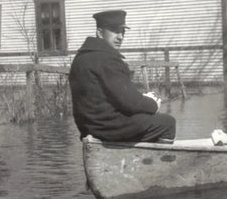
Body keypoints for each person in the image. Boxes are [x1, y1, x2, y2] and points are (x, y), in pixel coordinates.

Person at [69, 9, 176, 142]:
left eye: (123, 32)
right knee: (167, 123)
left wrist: (142, 101)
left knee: (145, 118)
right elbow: (130, 102)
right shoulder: (107, 59)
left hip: (90, 127)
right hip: (107, 128)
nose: (120, 37)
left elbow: (115, 97)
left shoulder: (82, 57)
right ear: (100, 33)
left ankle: (135, 155)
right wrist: (153, 104)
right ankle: (153, 161)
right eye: (115, 31)